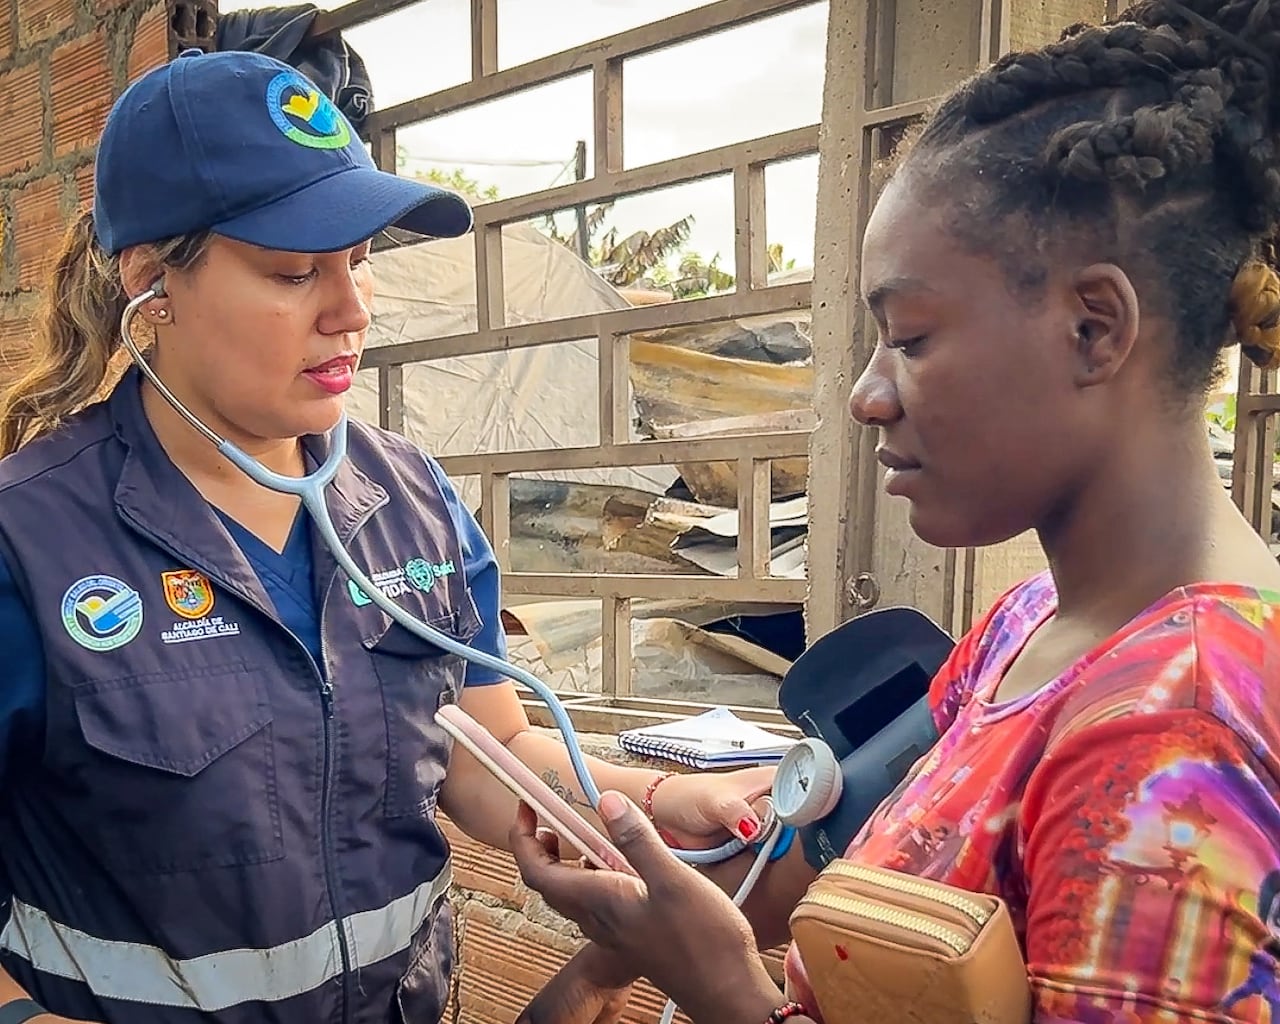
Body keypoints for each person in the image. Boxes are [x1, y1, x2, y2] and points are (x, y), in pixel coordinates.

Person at [509, 0, 1280, 1021]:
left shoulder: (1175, 733)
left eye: (908, 337)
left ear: (1094, 329)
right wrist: (625, 943)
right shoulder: (1031, 626)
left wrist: (723, 986)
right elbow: (841, 859)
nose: (866, 393)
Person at [0, 49, 776, 1024]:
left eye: (360, 261)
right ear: (151, 284)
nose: (351, 310)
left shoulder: (408, 498)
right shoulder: (28, 544)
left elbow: (486, 754)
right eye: (293, 271)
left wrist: (648, 807)